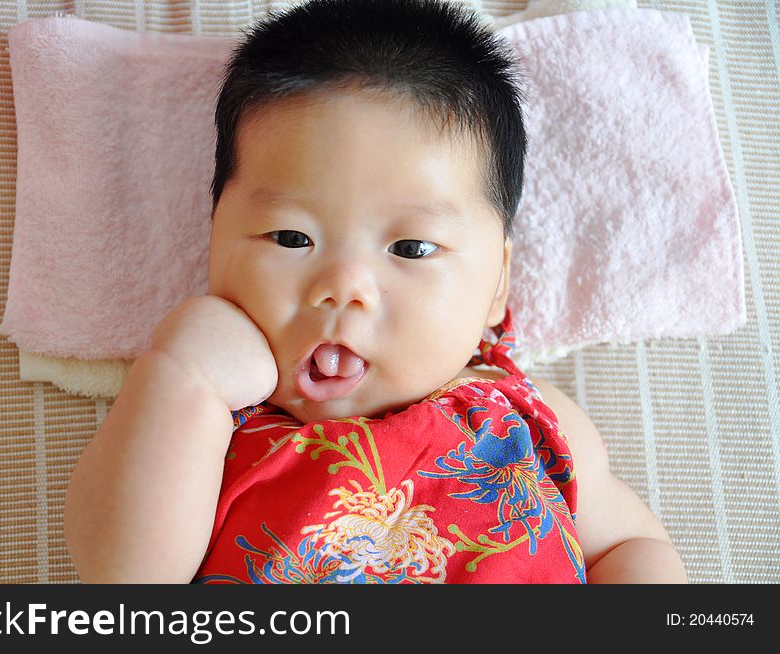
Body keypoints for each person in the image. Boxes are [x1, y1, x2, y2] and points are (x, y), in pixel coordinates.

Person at [64, 0, 687, 583]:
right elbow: (127, 576)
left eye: (411, 249)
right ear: (214, 242)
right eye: (289, 236)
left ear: (497, 284)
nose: (342, 289)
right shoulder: (211, 423)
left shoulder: (525, 414)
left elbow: (629, 547)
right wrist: (182, 375)